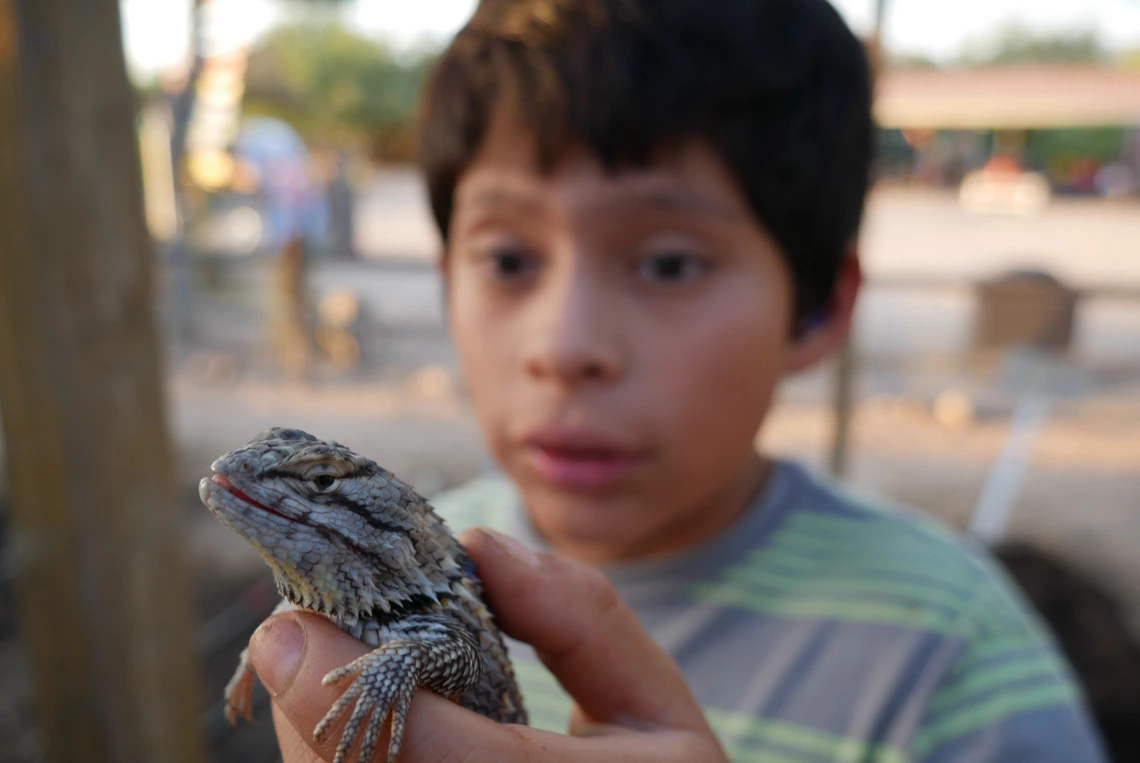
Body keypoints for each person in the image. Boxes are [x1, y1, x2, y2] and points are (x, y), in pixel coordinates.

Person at [248, 0, 1109, 760]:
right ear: (447, 282)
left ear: (815, 313)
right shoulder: (427, 550)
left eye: (667, 262)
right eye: (507, 258)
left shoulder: (956, 655)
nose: (567, 344)